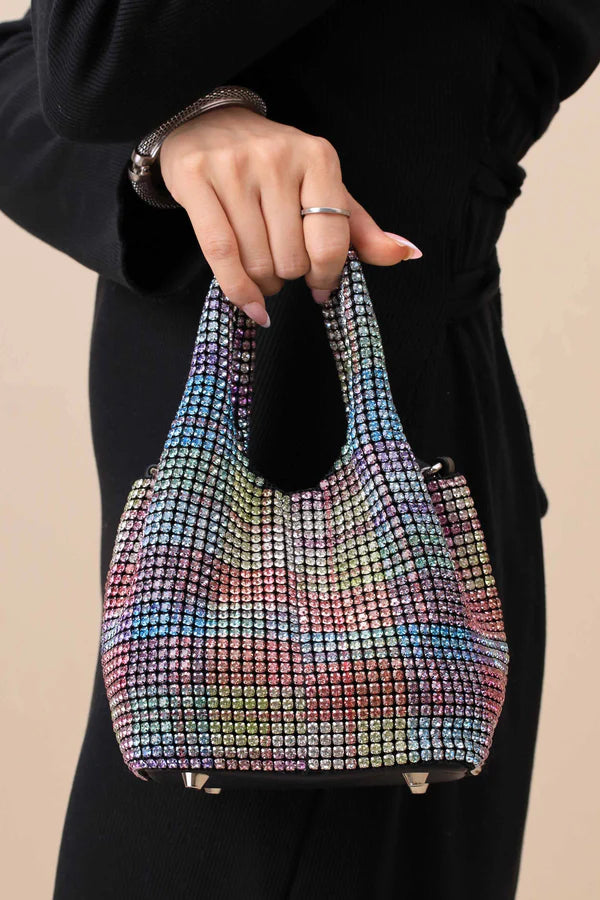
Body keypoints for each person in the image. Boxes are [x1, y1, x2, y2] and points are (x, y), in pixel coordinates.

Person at [1, 2, 599, 898]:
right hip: (193, 581)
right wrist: (179, 142)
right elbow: (36, 66)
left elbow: (98, 61)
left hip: (379, 601)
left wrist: (171, 110)